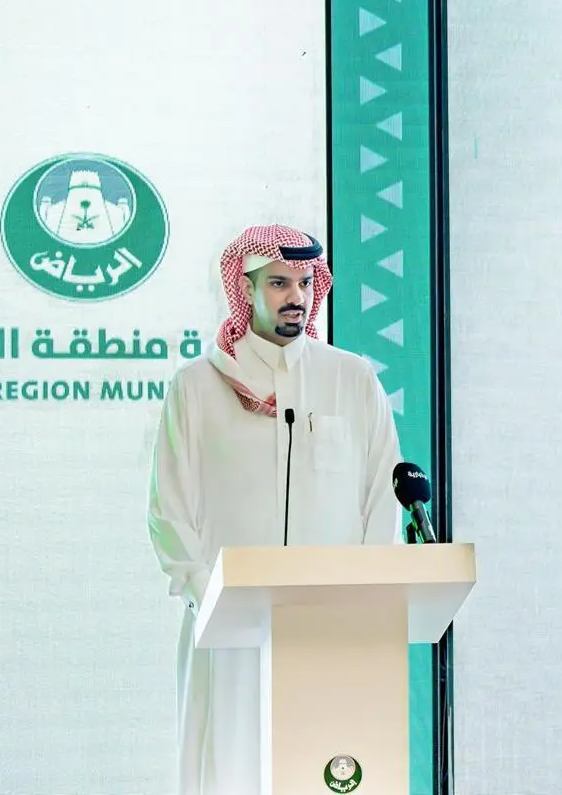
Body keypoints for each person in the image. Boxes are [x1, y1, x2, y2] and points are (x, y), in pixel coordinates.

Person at [147, 224, 404, 795]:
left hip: (332, 624)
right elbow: (169, 509)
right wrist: (209, 598)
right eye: (279, 283)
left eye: (305, 283)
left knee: (333, 766)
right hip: (227, 628)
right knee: (229, 770)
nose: (296, 296)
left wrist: (362, 596)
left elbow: (382, 493)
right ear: (245, 288)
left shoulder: (351, 379)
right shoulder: (198, 386)